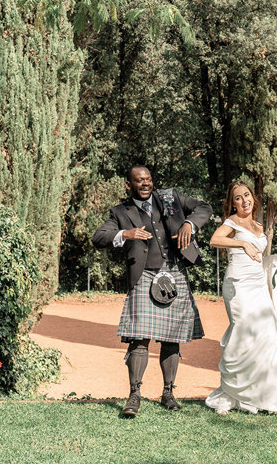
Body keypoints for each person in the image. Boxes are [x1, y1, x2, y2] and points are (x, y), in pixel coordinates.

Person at [92, 165, 212, 417]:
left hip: (175, 271)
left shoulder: (170, 198)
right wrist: (126, 233)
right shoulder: (120, 211)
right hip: (144, 275)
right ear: (129, 185)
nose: (145, 183)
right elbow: (98, 237)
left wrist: (190, 223)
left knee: (172, 337)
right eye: (139, 180)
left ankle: (168, 392)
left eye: (148, 179)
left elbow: (204, 208)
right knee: (139, 337)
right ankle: (134, 394)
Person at [205, 180, 277, 415]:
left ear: (253, 199)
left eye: (247, 195)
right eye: (238, 197)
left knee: (267, 334)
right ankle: (231, 394)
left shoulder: (258, 225)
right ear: (232, 203)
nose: (244, 200)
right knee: (242, 331)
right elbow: (214, 240)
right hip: (237, 285)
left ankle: (266, 397)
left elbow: (260, 260)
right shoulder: (232, 222)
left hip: (257, 285)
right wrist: (241, 242)